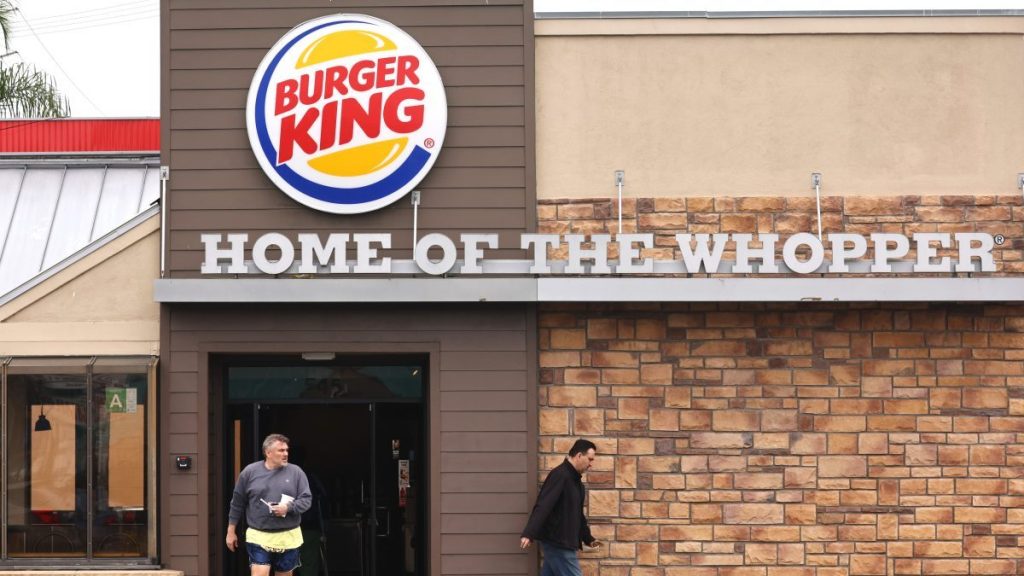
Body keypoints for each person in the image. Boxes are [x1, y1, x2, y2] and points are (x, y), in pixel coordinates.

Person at [226, 434, 312, 576]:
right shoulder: (249, 472)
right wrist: (230, 532)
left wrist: (288, 508)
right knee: (259, 573)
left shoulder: (296, 472)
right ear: (268, 452)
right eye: (281, 450)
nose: (285, 454)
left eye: (286, 450)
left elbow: (306, 500)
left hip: (288, 535)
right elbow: (237, 503)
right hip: (258, 534)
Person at [520, 439, 602, 576]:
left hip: (562, 543)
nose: (591, 464)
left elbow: (578, 516)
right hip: (558, 543)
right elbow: (544, 505)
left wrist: (588, 539)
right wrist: (529, 533)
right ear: (579, 456)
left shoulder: (577, 484)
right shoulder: (560, 475)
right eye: (590, 459)